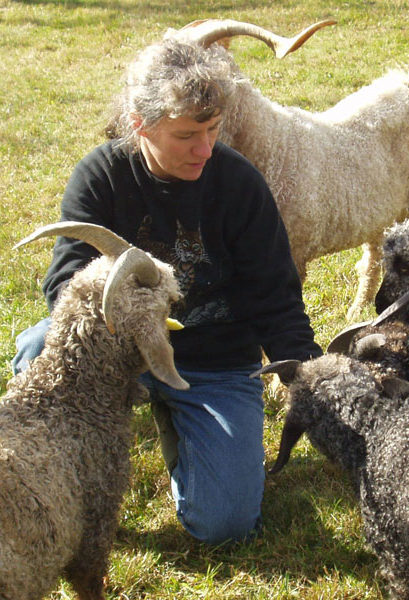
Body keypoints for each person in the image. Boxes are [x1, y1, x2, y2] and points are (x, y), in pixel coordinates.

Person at [12, 33, 322, 545]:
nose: (205, 149)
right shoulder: (102, 176)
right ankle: (60, 476)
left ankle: (180, 426)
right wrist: (127, 344)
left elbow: (276, 296)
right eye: (186, 135)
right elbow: (66, 286)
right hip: (116, 354)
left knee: (225, 527)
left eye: (214, 130)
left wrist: (312, 377)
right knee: (36, 349)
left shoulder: (239, 184)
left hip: (213, 362)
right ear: (141, 125)